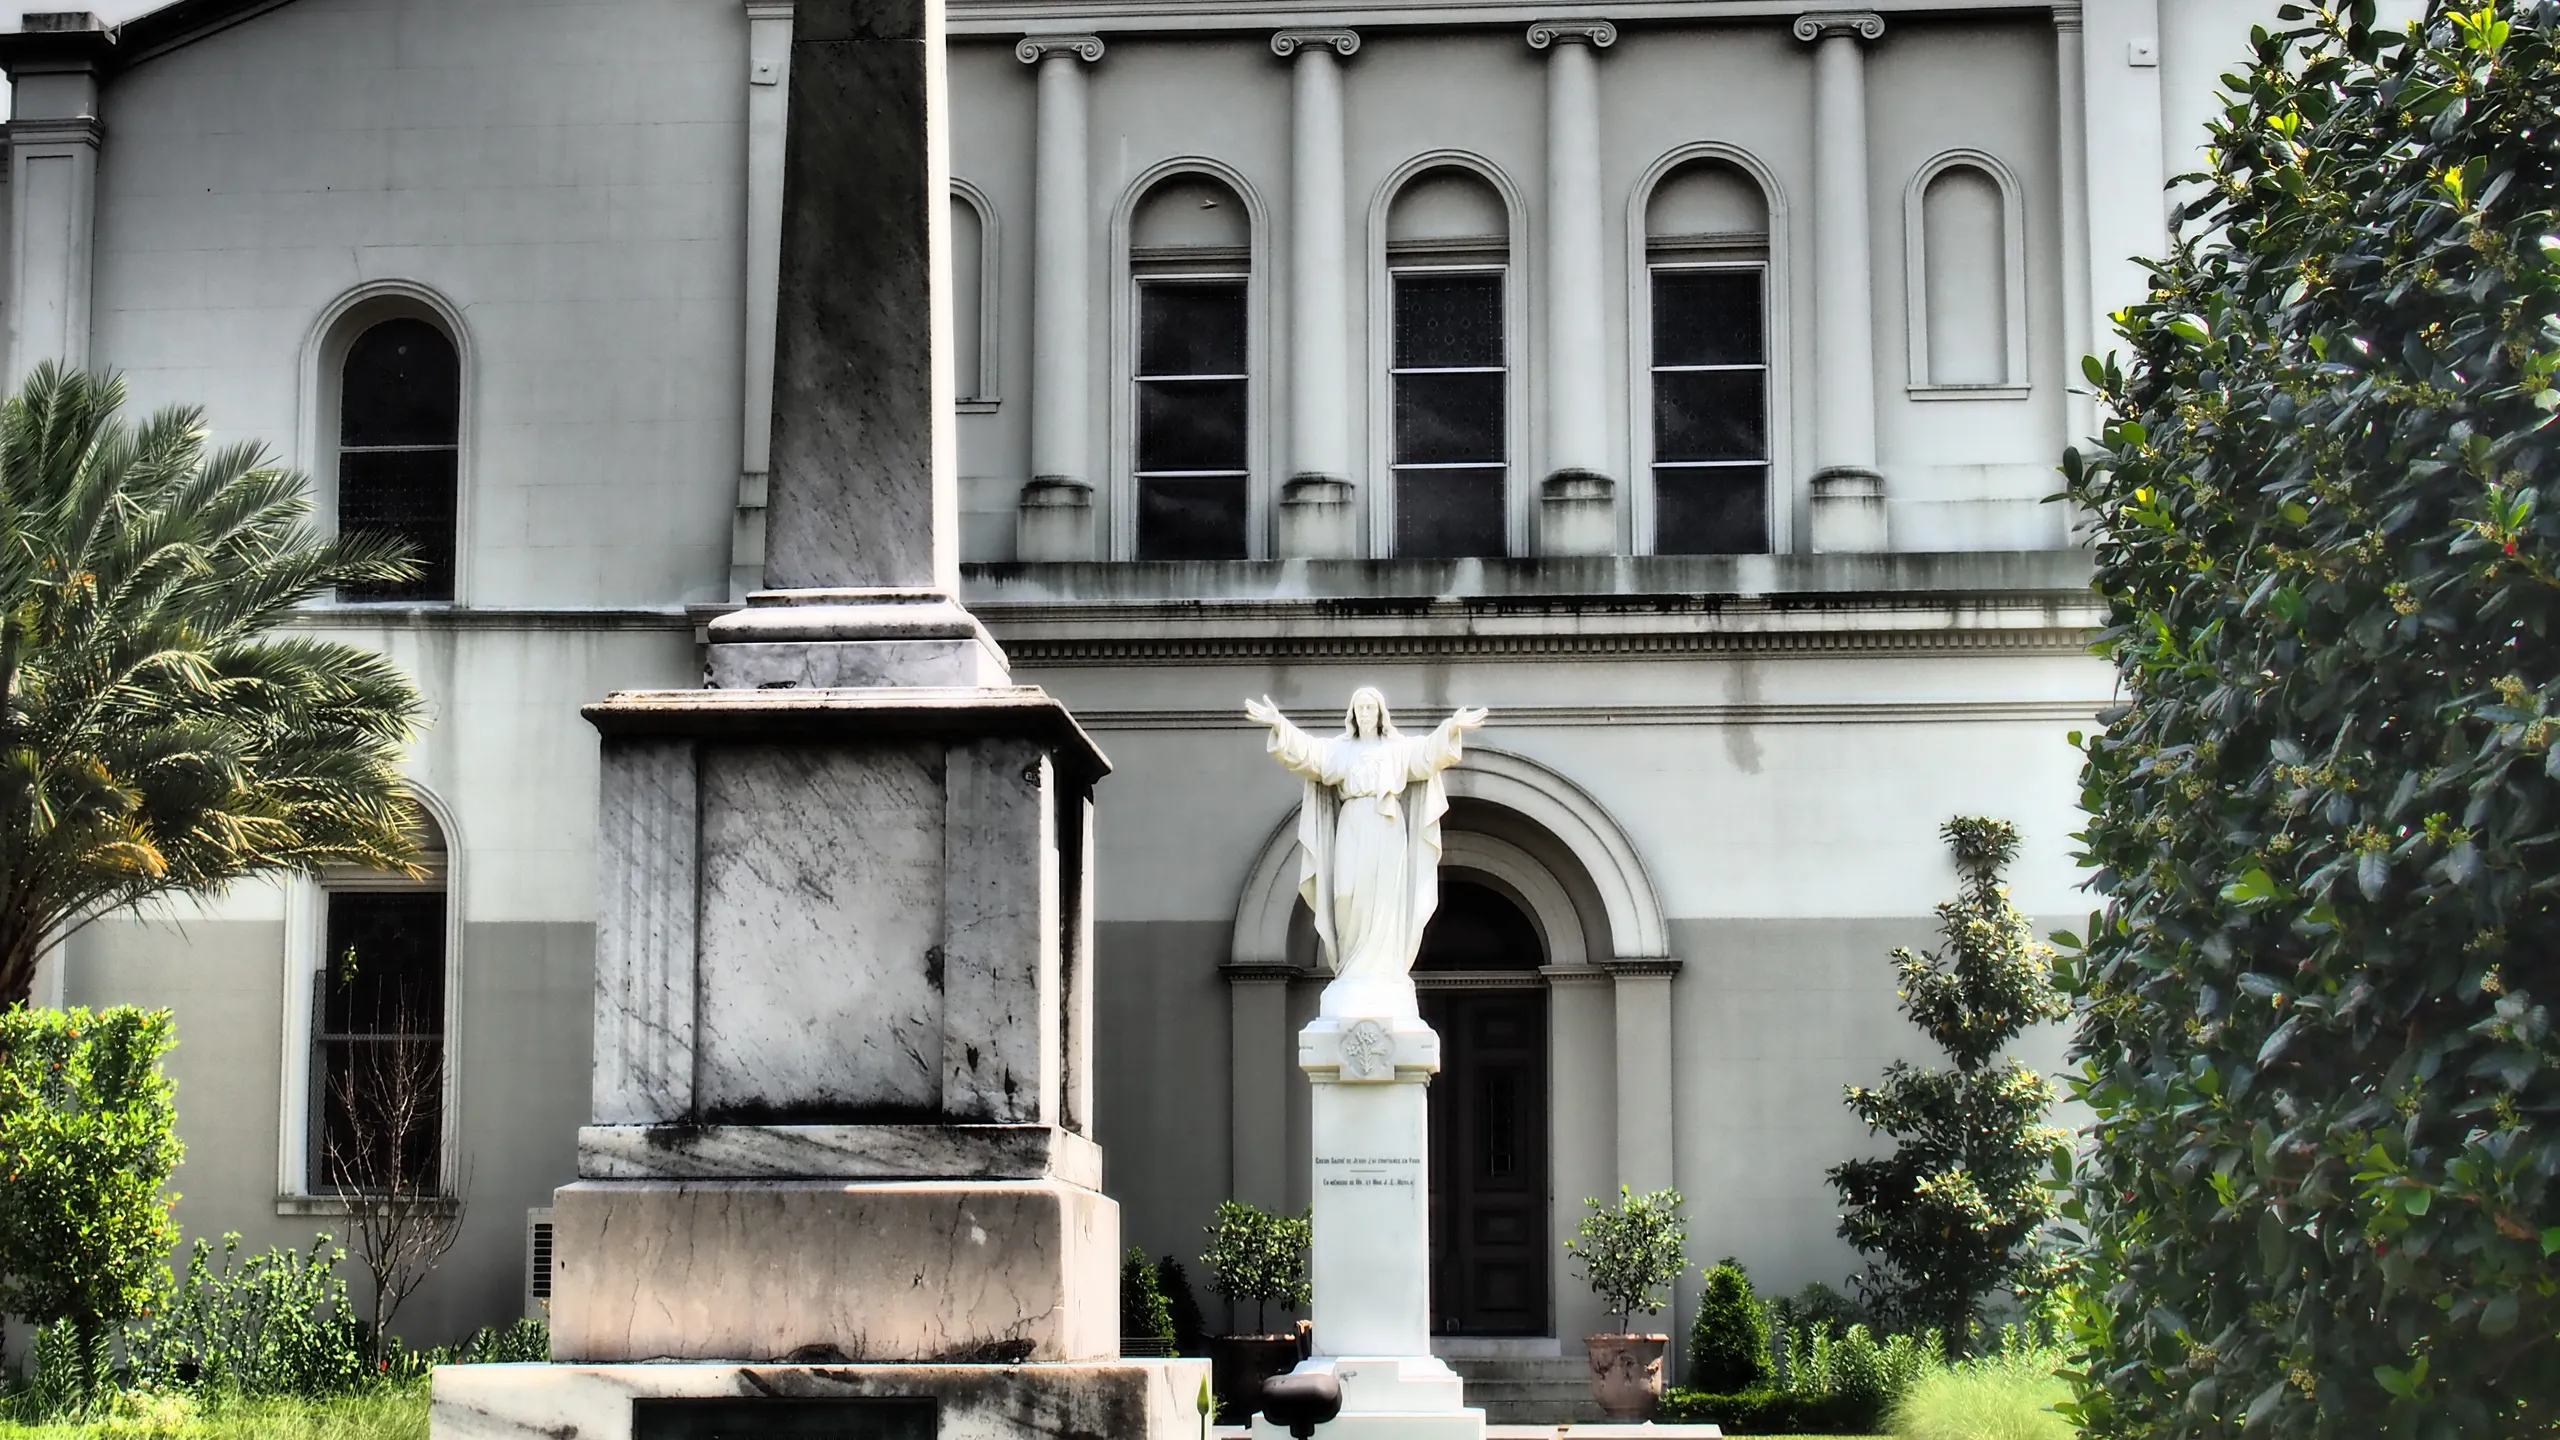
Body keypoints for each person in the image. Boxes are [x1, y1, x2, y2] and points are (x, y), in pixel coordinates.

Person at [1244, 687, 1489, 1018]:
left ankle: (1384, 970)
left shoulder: (1396, 748)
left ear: (1380, 713)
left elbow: (1427, 755)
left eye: (1370, 707)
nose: (1365, 713)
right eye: (1359, 708)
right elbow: (1309, 753)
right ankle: (1351, 968)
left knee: (1385, 897)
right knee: (1346, 894)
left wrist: (1451, 727)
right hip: (1353, 822)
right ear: (1352, 714)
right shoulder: (1341, 750)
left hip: (1387, 827)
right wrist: (1279, 724)